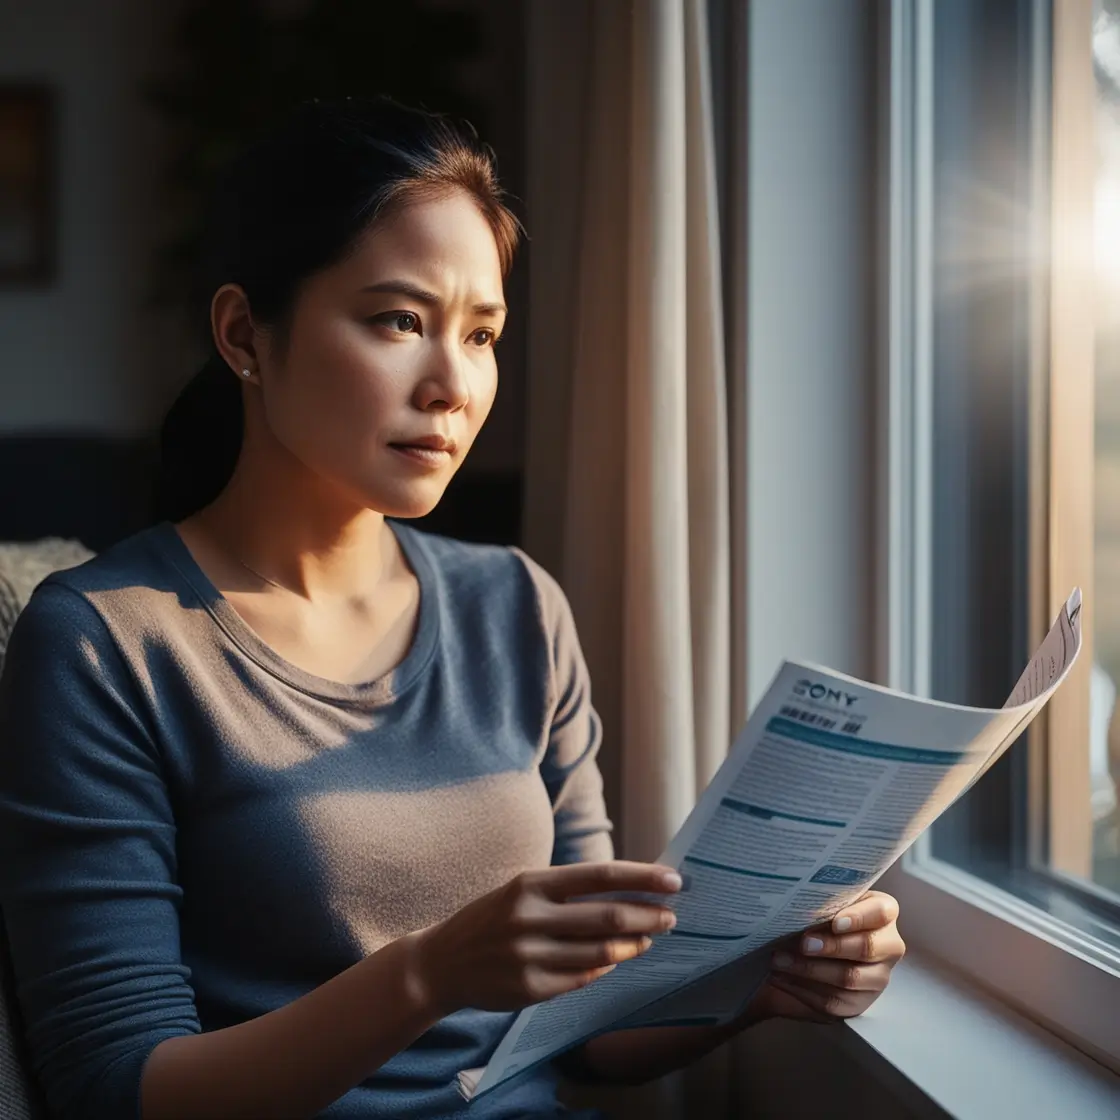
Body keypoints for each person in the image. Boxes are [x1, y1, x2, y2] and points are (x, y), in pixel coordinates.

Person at [0, 97, 905, 1120]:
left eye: (481, 334)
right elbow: (116, 1090)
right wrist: (430, 973)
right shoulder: (104, 642)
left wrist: (755, 987)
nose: (452, 384)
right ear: (246, 334)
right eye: (399, 320)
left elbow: (587, 1016)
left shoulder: (515, 607)